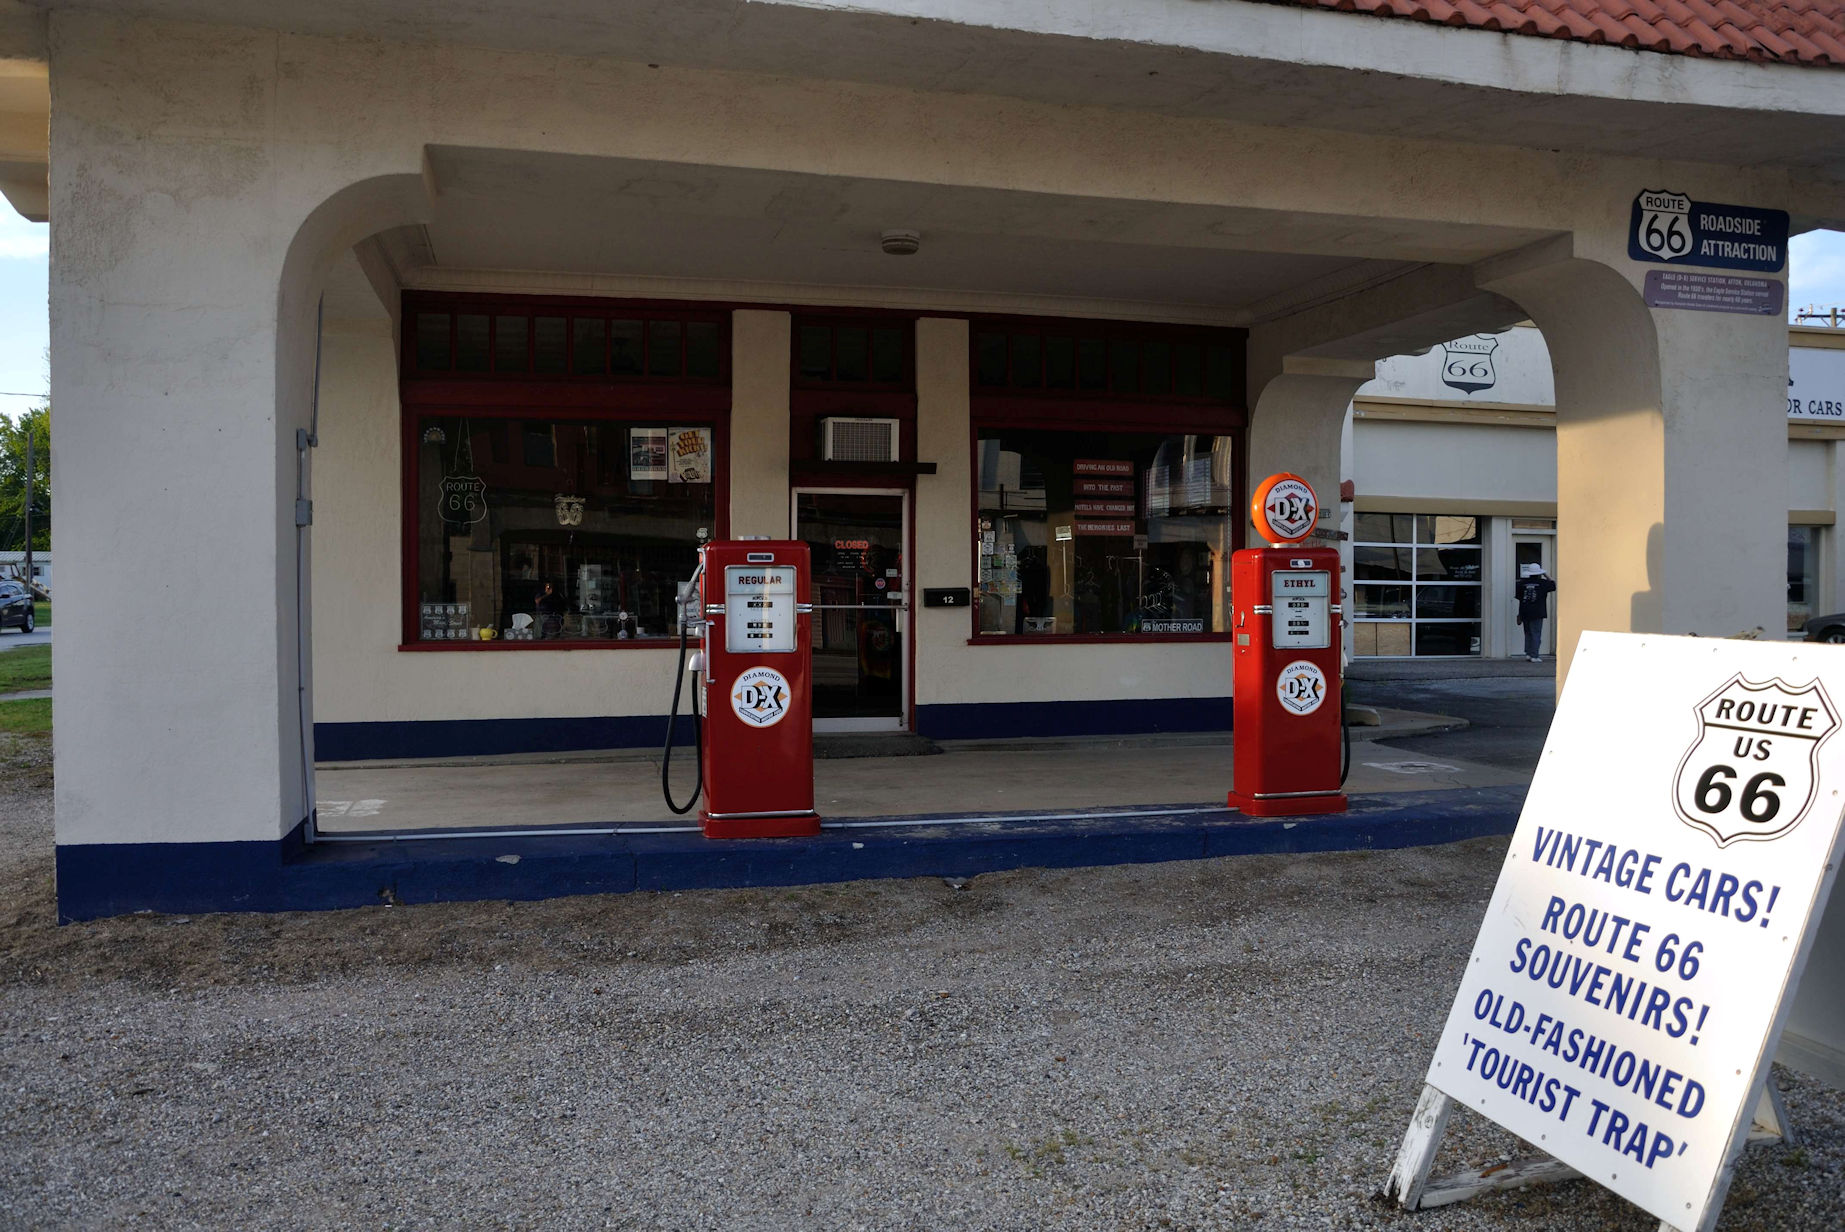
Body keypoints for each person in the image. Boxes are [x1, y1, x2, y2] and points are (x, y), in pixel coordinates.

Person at [1515, 564, 1556, 662]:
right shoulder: (1543, 583)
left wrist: (1519, 613)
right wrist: (1545, 574)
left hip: (1525, 611)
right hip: (1538, 611)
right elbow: (1553, 585)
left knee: (1528, 633)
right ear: (1539, 573)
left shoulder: (1521, 583)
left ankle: (1528, 653)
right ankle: (1535, 655)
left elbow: (1519, 598)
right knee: (1536, 633)